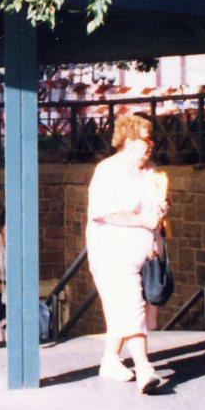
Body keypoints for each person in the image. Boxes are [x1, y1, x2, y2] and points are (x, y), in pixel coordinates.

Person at [85, 113, 169, 392]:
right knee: (132, 308)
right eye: (146, 139)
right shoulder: (108, 171)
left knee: (125, 310)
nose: (151, 144)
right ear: (129, 142)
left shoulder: (151, 171)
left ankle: (110, 360)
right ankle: (144, 368)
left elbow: (157, 205)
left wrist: (162, 209)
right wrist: (143, 220)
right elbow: (104, 212)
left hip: (146, 253)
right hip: (113, 253)